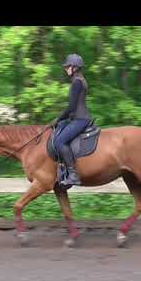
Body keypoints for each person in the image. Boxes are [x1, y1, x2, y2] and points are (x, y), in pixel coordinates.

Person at [52, 54, 92, 187]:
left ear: (74, 68)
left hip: (81, 119)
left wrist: (58, 119)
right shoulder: (81, 80)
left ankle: (73, 174)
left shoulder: (77, 82)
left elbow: (72, 107)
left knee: (59, 141)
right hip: (78, 118)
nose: (66, 69)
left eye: (67, 66)